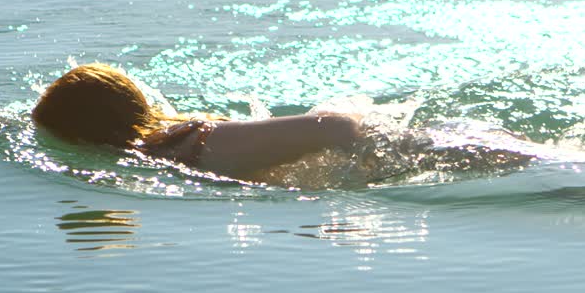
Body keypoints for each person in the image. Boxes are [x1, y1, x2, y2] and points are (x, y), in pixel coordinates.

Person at [31, 63, 363, 181]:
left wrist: (369, 163)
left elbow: (337, 127)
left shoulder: (196, 145)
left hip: (388, 151)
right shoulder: (157, 151)